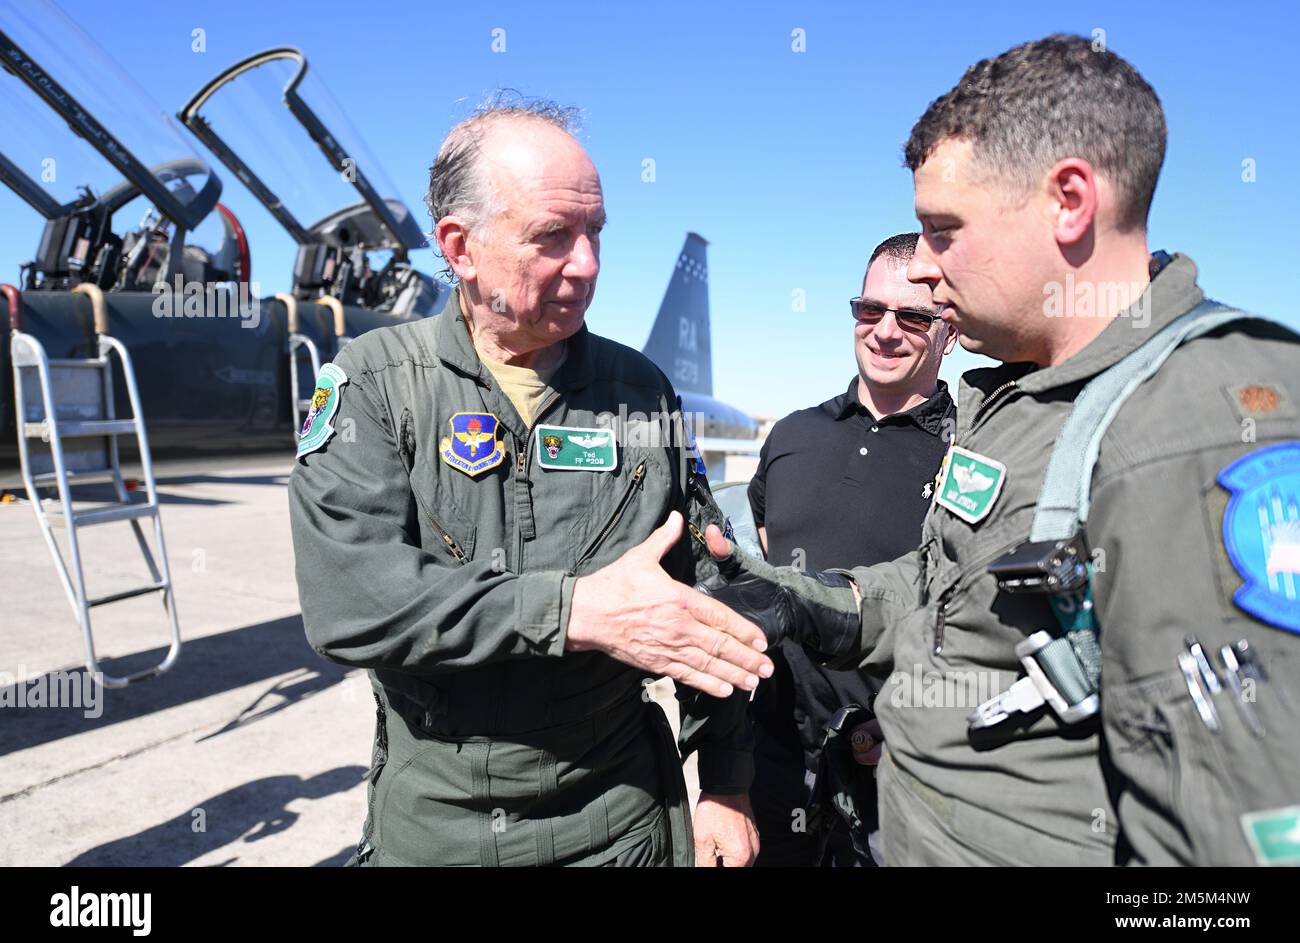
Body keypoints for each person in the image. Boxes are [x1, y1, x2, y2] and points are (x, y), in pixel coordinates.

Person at [700, 34, 1300, 865]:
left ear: (1068, 201)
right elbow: (948, 590)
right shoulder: (1017, 396)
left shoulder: (1205, 416)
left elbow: (1241, 831)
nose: (929, 276)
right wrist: (809, 601)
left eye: (945, 232)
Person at [288, 99, 772, 867]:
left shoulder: (640, 392)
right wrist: (574, 609)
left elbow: (707, 600)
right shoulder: (374, 385)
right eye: (552, 236)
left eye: (595, 234)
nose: (586, 264)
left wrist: (726, 785)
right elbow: (351, 604)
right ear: (461, 247)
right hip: (439, 826)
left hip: (618, 821)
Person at [746, 232, 956, 866]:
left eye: (912, 317)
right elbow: (764, 566)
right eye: (870, 311)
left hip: (903, 769)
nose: (885, 331)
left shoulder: (971, 450)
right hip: (775, 758)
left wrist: (908, 725)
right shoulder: (792, 436)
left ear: (946, 330)